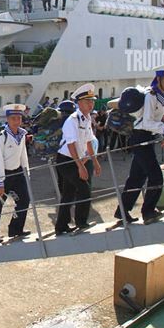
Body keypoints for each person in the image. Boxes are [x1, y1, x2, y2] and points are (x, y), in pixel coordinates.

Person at [114, 64, 164, 225]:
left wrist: (163, 134)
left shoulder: (162, 94)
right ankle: (148, 212)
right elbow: (147, 122)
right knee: (156, 176)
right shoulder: (151, 95)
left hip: (147, 138)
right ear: (158, 79)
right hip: (141, 138)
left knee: (136, 178)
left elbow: (158, 119)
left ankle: (122, 212)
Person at [55, 84, 102, 234]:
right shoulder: (72, 120)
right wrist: (80, 167)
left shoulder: (87, 119)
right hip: (67, 161)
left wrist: (95, 162)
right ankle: (81, 222)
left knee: (68, 195)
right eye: (88, 101)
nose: (91, 104)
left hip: (78, 160)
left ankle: (61, 226)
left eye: (92, 101)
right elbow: (71, 145)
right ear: (79, 103)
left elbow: (88, 141)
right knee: (84, 189)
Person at [0, 104, 31, 244]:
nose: (17, 121)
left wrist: (26, 172)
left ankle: (16, 228)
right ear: (7, 119)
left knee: (24, 200)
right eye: (13, 118)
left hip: (17, 173)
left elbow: (23, 154)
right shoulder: (1, 137)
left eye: (19, 118)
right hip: (2, 173)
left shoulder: (22, 134)